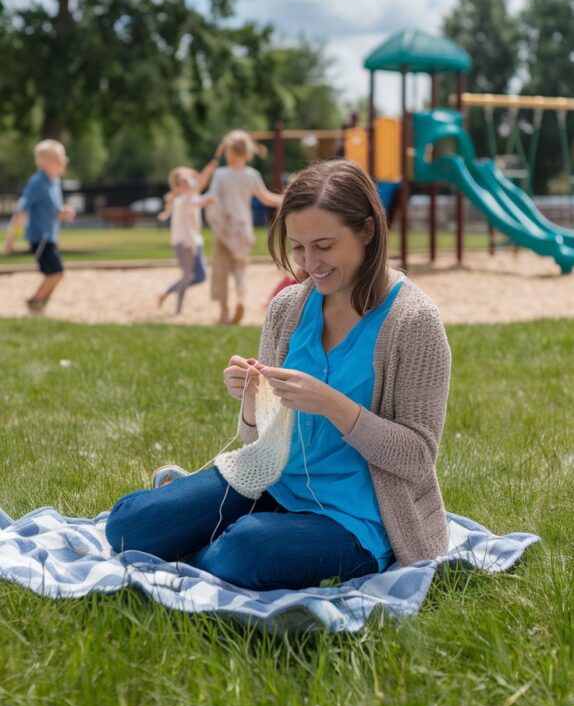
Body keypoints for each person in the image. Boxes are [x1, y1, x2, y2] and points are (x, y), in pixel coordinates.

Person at [105, 159, 452, 590]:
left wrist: (334, 405)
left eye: (324, 245)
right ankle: (211, 541)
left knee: (246, 550)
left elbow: (418, 458)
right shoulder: (288, 309)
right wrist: (252, 402)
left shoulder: (413, 323)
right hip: (271, 483)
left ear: (367, 231)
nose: (310, 263)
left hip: (357, 519)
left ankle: (211, 545)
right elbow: (257, 441)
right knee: (126, 526)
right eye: (299, 247)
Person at [207, 129, 282, 324]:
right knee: (240, 268)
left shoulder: (221, 174)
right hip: (243, 229)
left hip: (224, 228)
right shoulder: (251, 175)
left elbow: (212, 197)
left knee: (221, 270)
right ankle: (240, 298)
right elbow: (266, 197)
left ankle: (224, 312)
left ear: (230, 152)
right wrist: (286, 198)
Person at [3, 139, 75, 313]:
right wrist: (10, 238)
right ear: (49, 162)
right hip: (40, 238)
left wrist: (62, 212)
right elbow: (22, 211)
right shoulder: (37, 183)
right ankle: (35, 302)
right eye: (61, 158)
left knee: (56, 273)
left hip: (50, 236)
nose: (65, 161)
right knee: (56, 272)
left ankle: (40, 304)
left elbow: (52, 210)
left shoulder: (54, 182)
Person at [157, 162, 217, 314]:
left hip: (194, 242)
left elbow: (199, 187)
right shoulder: (183, 200)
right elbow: (198, 198)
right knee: (187, 277)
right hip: (185, 243)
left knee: (200, 276)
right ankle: (178, 308)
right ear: (179, 186)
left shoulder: (188, 197)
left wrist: (208, 170)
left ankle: (168, 293)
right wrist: (208, 200)